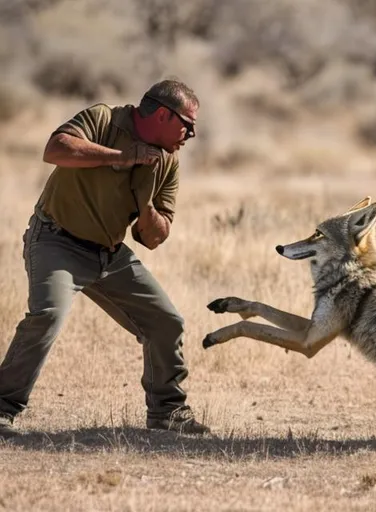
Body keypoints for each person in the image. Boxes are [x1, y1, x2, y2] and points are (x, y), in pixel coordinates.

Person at [0, 78, 210, 437]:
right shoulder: (104, 119)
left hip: (109, 254)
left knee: (166, 321)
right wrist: (124, 158)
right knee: (48, 314)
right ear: (163, 114)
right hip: (56, 240)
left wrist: (145, 206)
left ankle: (167, 412)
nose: (190, 135)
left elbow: (156, 237)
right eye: (187, 125)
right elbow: (56, 149)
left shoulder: (167, 163)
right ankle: (2, 408)